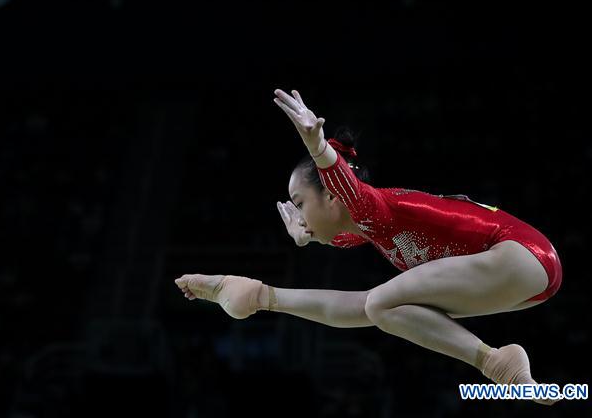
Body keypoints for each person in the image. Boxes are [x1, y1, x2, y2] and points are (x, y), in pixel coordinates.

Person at [174, 88, 563, 405]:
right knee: (377, 308)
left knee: (377, 303)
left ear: (330, 193)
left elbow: (352, 191)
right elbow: (347, 280)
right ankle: (259, 295)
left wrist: (318, 148)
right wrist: (297, 247)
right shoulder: (367, 229)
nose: (298, 214)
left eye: (299, 203)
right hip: (529, 282)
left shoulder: (375, 208)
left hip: (520, 254)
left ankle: (496, 362)